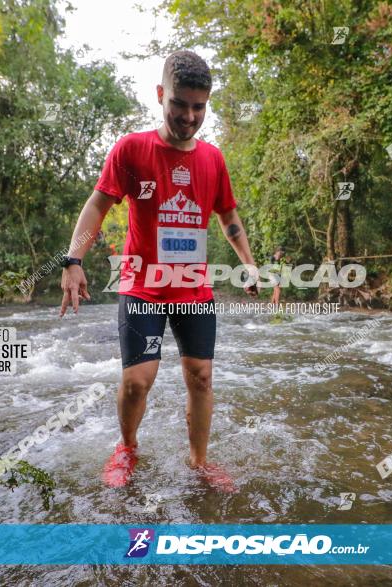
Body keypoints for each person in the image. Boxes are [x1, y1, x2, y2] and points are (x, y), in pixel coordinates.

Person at [59, 50, 258, 493]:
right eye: (180, 104)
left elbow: (228, 216)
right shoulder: (131, 150)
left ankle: (200, 462)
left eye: (199, 107)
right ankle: (127, 447)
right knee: (137, 380)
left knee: (201, 376)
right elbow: (96, 205)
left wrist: (250, 265)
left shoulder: (213, 159)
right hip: (141, 284)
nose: (189, 116)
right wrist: (73, 260)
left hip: (192, 289)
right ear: (160, 96)